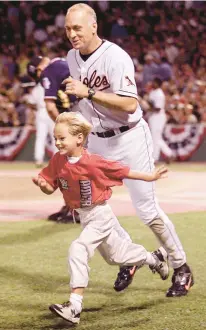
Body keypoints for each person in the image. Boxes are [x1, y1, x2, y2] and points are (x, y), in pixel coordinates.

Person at [62, 3, 194, 298]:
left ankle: (181, 265)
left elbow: (130, 103)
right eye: (68, 29)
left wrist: (90, 92)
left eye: (77, 28)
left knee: (147, 210)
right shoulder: (72, 57)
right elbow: (84, 102)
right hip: (97, 140)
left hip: (130, 138)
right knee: (94, 208)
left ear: (94, 26)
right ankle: (131, 257)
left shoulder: (115, 56)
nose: (72, 34)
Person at [33, 111, 169, 324]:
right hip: (85, 217)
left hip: (100, 214)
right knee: (116, 257)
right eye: (56, 138)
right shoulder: (58, 160)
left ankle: (74, 306)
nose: (58, 142)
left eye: (62, 138)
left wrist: (150, 176)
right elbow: (50, 186)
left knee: (78, 248)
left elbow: (123, 171)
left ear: (79, 138)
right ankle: (155, 259)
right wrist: (43, 186)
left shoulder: (93, 162)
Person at [27, 55, 79, 223]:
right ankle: (71, 206)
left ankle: (77, 208)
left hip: (83, 111)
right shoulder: (62, 63)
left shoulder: (48, 71)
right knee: (68, 161)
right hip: (86, 108)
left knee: (73, 163)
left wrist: (63, 127)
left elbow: (50, 106)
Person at [26, 56, 56, 168]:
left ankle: (38, 160)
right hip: (51, 109)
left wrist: (33, 106)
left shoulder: (37, 87)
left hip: (41, 111)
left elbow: (30, 102)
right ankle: (57, 159)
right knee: (55, 136)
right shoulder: (50, 84)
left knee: (40, 137)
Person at [147, 77, 175, 163]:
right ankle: (169, 154)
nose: (153, 83)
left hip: (158, 116)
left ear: (158, 84)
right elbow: (151, 104)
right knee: (156, 137)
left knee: (155, 137)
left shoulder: (159, 94)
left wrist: (147, 107)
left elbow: (158, 108)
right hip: (153, 116)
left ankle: (155, 158)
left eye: (154, 82)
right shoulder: (152, 92)